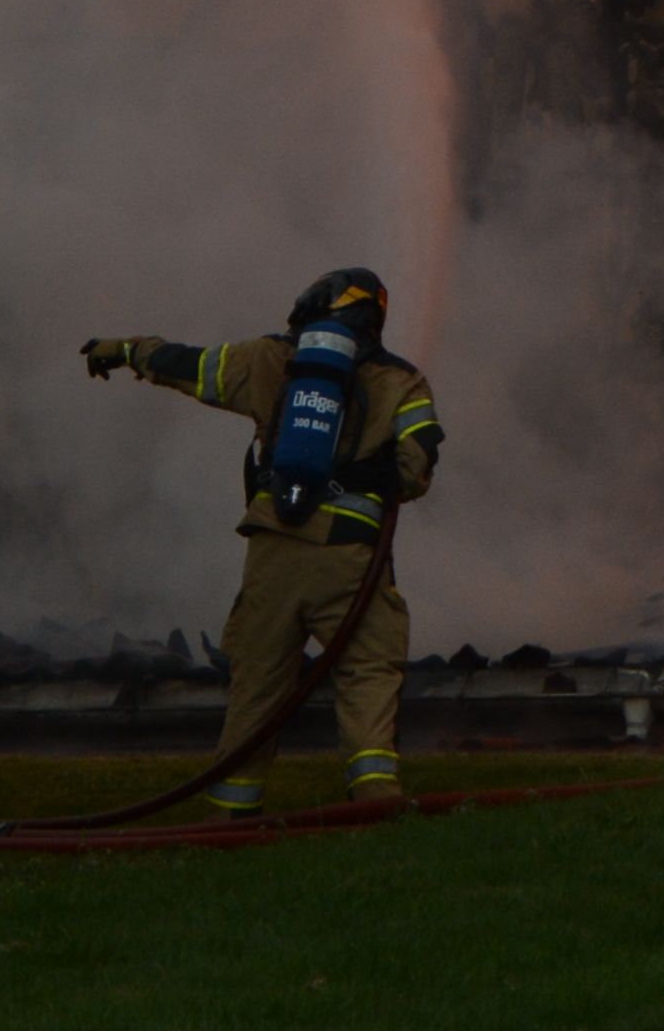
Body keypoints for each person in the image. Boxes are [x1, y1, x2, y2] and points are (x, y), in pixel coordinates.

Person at [83, 268, 443, 813]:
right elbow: (416, 471)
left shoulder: (271, 359)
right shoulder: (404, 381)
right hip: (351, 561)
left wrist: (126, 350)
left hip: (274, 553)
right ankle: (376, 799)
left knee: (257, 685)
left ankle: (230, 814)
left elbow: (189, 366)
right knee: (368, 674)